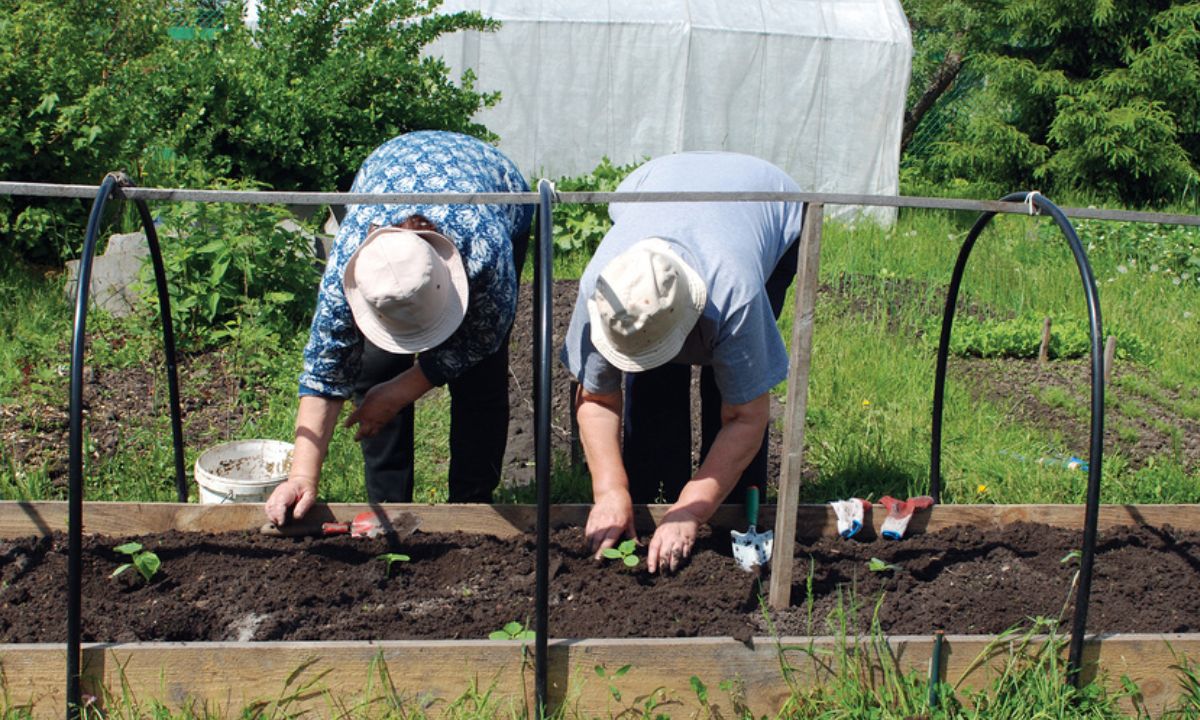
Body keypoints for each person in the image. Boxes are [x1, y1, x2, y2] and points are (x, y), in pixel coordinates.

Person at [265, 131, 533, 527]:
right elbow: (326, 369)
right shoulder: (349, 262)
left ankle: (473, 509)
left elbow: (481, 338)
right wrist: (302, 476)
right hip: (389, 167)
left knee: (481, 376)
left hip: (493, 183)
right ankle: (389, 508)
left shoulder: (486, 251)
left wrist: (402, 391)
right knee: (374, 367)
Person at [560, 151, 805, 573]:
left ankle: (724, 503)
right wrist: (610, 490)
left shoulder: (736, 293)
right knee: (651, 375)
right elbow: (597, 399)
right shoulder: (601, 289)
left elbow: (748, 415)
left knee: (731, 381)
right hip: (654, 184)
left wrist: (692, 511)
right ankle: (654, 490)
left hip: (766, 201)